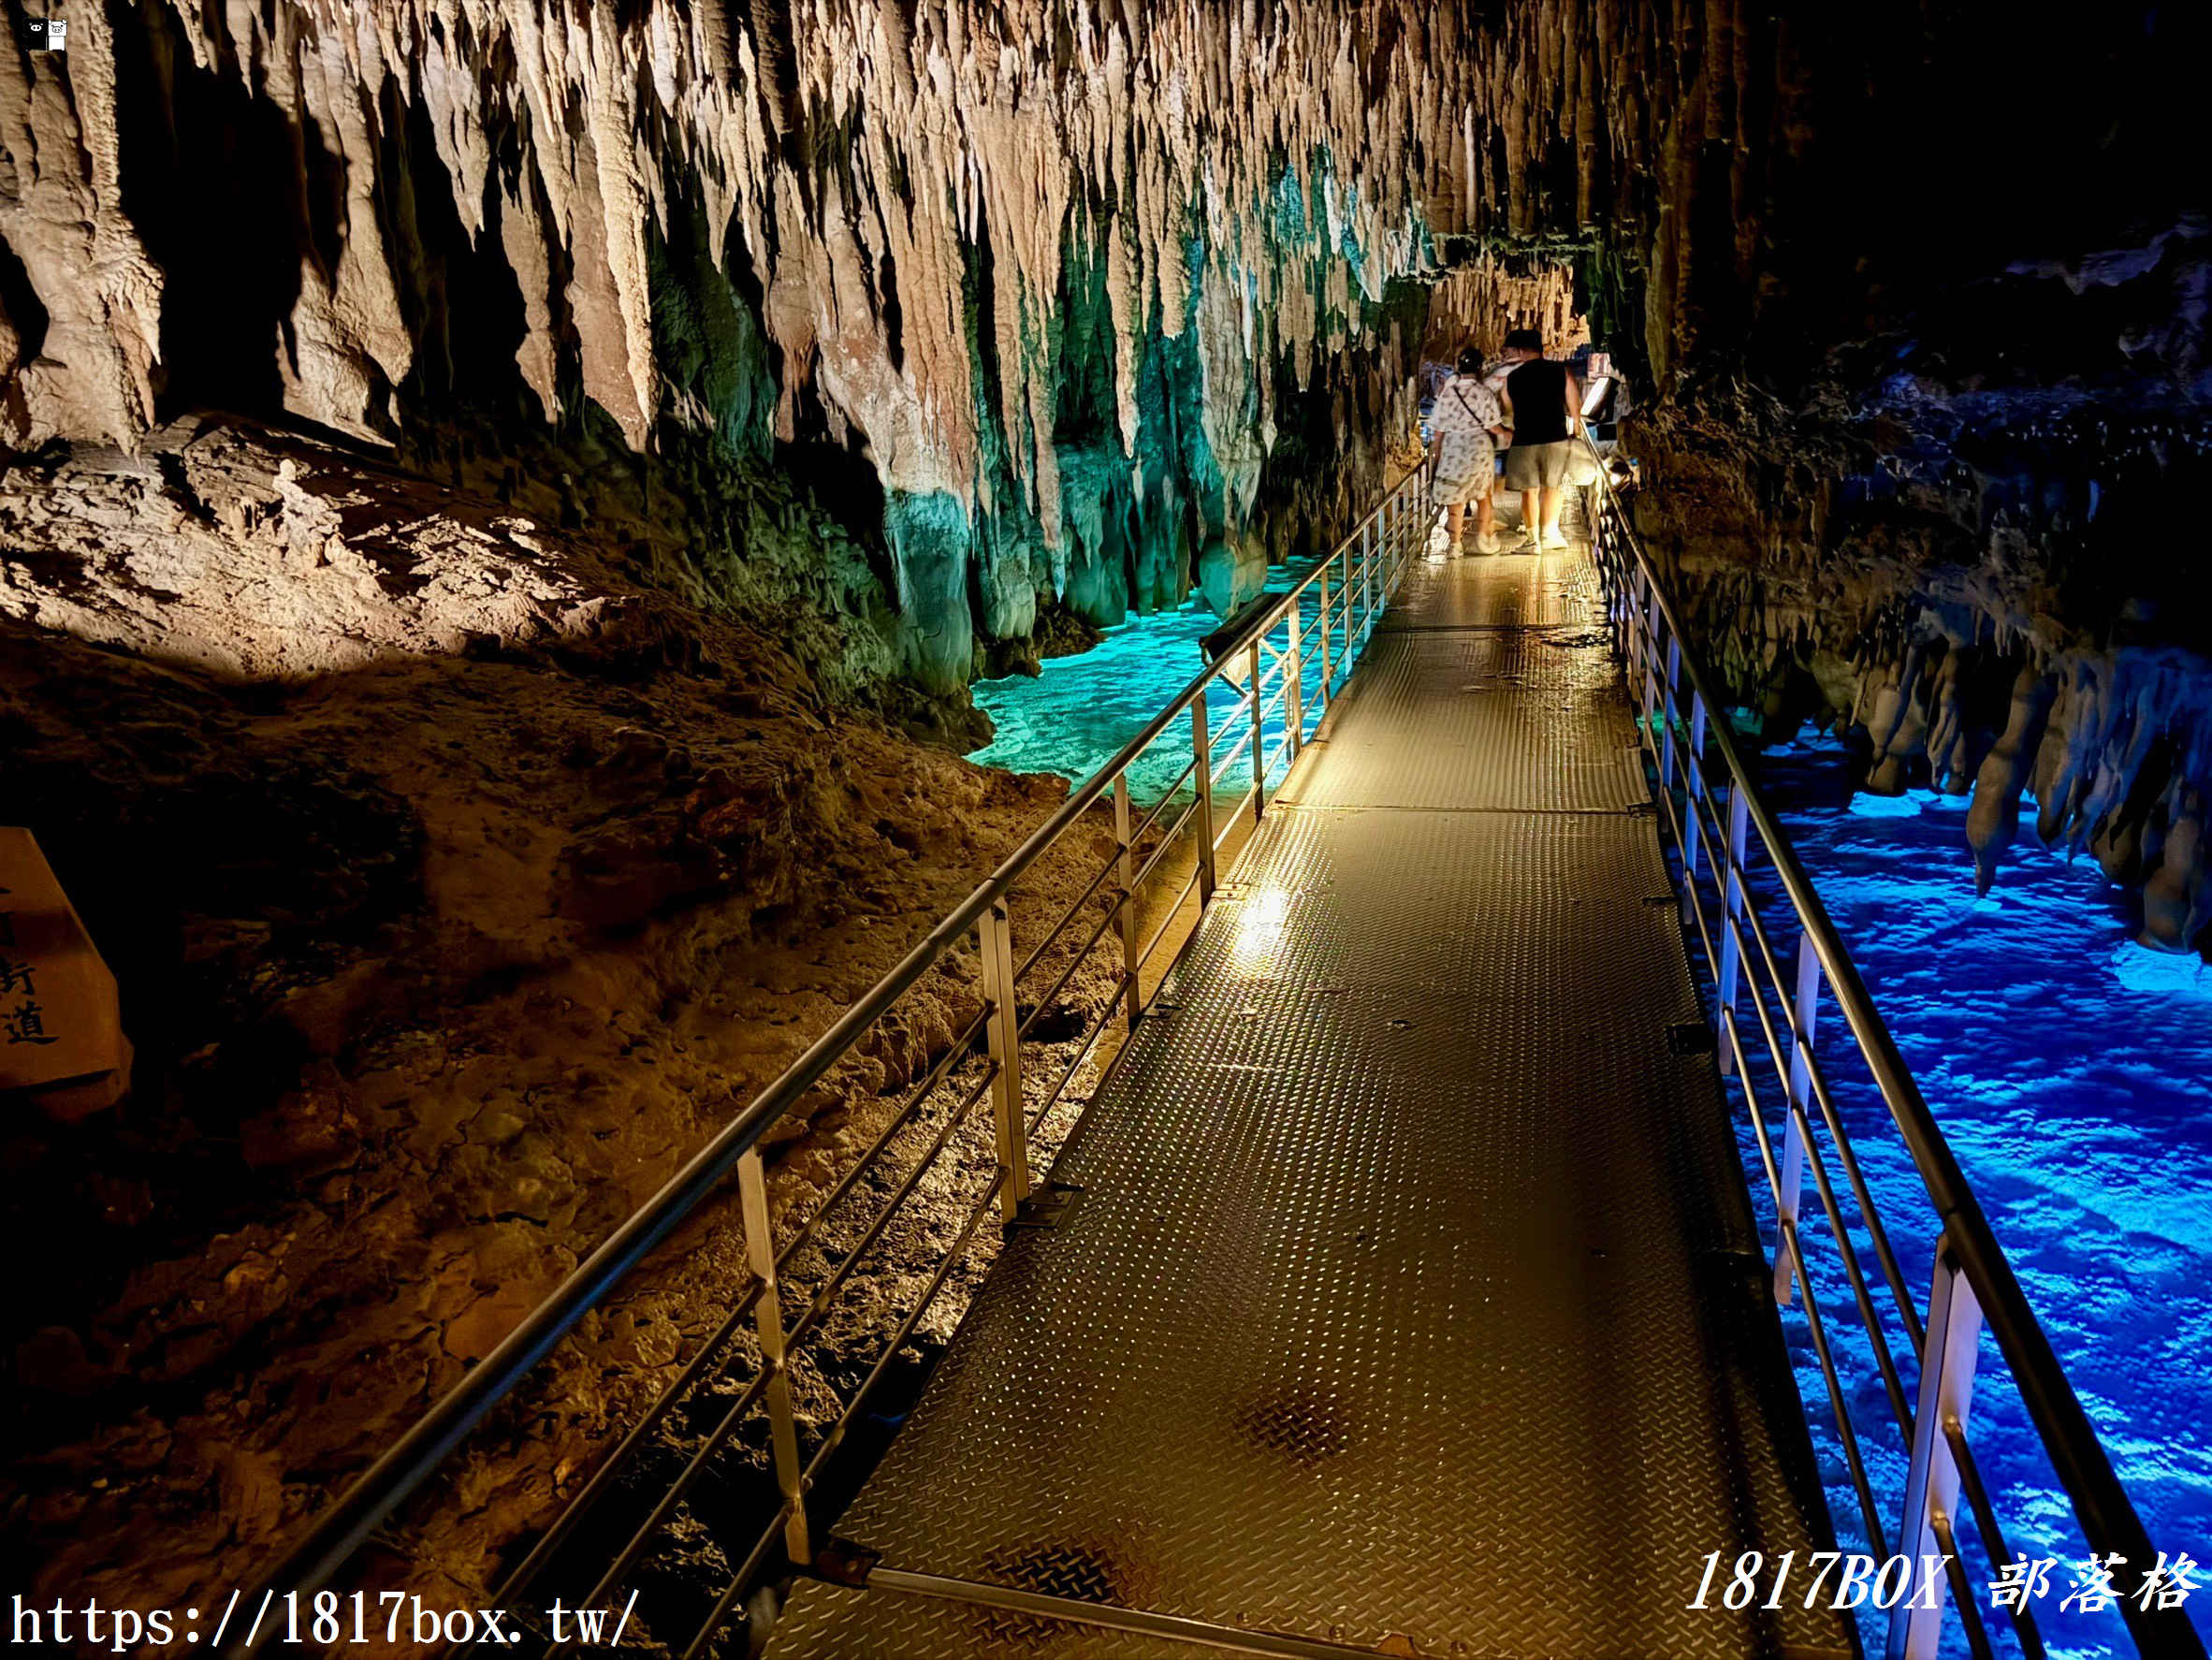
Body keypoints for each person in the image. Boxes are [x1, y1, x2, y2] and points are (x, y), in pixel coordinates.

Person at [1496, 328, 1583, 550]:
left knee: (1529, 491)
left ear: (1522, 351)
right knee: (1552, 487)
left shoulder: (1512, 377)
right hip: (1555, 437)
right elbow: (1574, 402)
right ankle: (1549, 534)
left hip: (1525, 439)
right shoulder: (1561, 371)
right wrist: (1575, 430)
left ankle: (1532, 540)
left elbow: (1508, 407)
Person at [1425, 345, 1509, 555]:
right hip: (1479, 447)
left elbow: (1438, 430)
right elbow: (1492, 425)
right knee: (1483, 495)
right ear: (1480, 368)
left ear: (1458, 368)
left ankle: (1455, 545)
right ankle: (1484, 538)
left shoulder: (1448, 394)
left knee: (1455, 498)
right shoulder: (1484, 392)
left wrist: (1435, 454)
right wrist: (1508, 434)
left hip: (1454, 447)